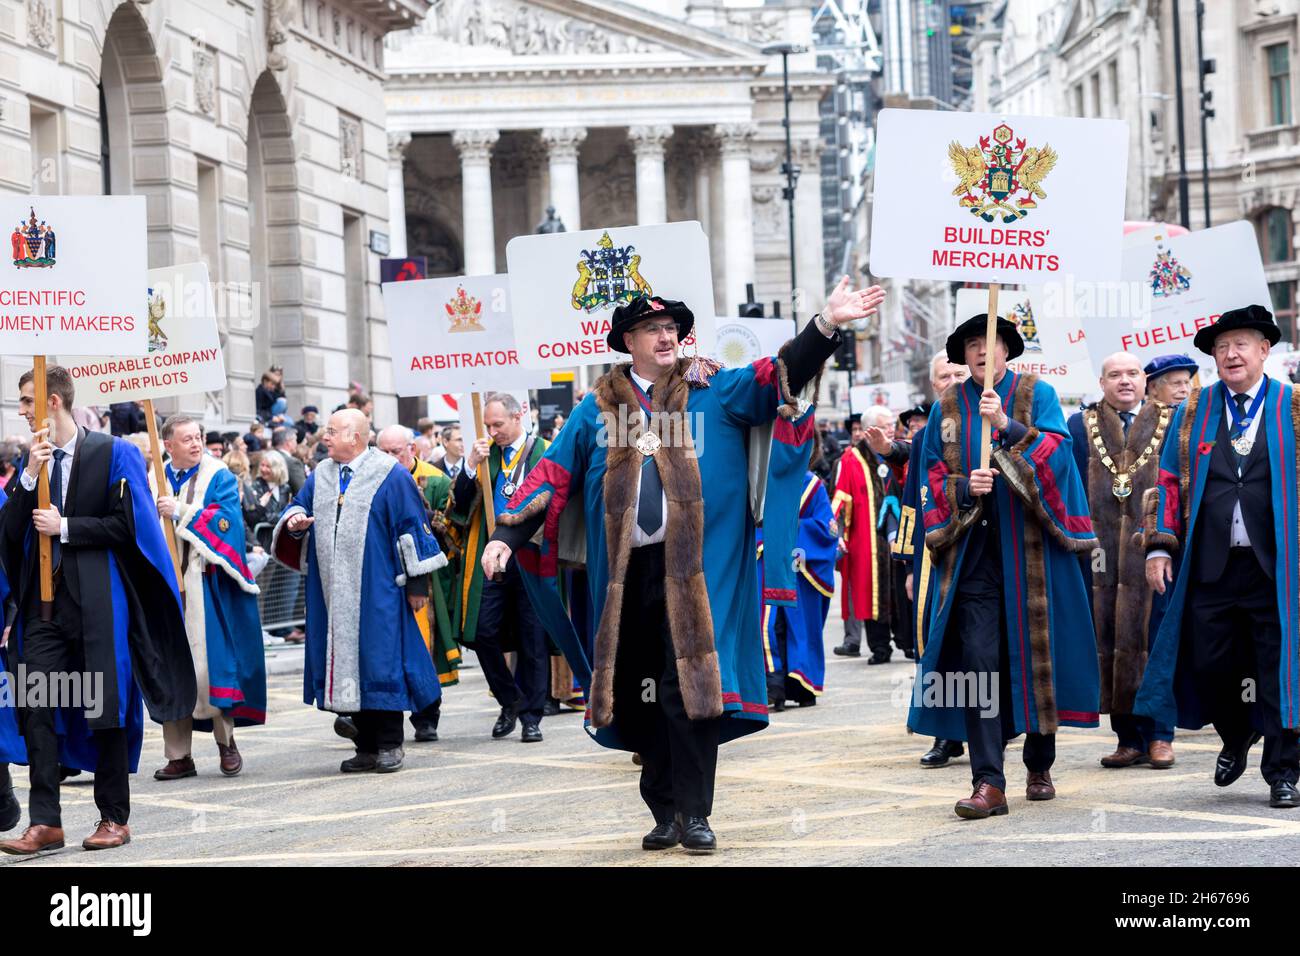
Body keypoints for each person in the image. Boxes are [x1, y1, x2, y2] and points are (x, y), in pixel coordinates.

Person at [483, 278, 885, 853]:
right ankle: (663, 809)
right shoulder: (597, 407)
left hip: (699, 571)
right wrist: (506, 533)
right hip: (628, 577)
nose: (667, 336)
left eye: (673, 328)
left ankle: (695, 814)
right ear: (629, 340)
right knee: (641, 694)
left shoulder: (716, 389)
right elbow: (552, 475)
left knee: (689, 691)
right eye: (654, 329)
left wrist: (825, 325)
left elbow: (780, 375)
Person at [908, 314, 1099, 820]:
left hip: (1033, 551)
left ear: (1005, 351)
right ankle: (988, 782)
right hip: (973, 557)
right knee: (977, 666)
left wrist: (1011, 429)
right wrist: (959, 489)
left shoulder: (1038, 394)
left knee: (1036, 657)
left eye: (987, 343)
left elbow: (1061, 457)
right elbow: (927, 476)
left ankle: (1039, 762)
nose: (979, 352)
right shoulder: (945, 407)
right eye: (970, 344)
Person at [0, 365, 193, 854]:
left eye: (27, 402)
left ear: (53, 403)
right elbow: (6, 535)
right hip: (43, 611)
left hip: (100, 606)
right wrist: (27, 479)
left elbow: (130, 528)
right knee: (36, 707)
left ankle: (113, 817)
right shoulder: (31, 463)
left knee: (103, 707)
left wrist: (66, 526)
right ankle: (46, 822)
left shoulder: (115, 453)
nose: (21, 412)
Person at [1139, 305, 1300, 808]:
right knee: (1210, 664)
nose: (1231, 354)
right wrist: (1160, 546)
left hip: (1276, 568)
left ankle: (1283, 771)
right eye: (1222, 346)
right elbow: (1165, 482)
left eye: (1242, 344)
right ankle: (1236, 734)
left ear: (1264, 351)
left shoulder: (1293, 406)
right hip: (1210, 564)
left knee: (1279, 667)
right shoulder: (1194, 411)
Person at [272, 409, 445, 774]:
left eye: (333, 432)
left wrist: (417, 585)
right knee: (346, 664)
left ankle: (389, 744)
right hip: (332, 591)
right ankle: (364, 745)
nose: (326, 437)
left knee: (380, 661)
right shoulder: (321, 475)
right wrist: (295, 522)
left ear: (356, 436)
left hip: (378, 587)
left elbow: (412, 529)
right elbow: (297, 507)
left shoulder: (389, 474)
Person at [1065, 353, 1176, 771]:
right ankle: (1127, 737)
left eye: (1132, 373)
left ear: (1145, 379)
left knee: (1156, 639)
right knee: (1108, 640)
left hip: (1155, 551)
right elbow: (1068, 485)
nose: (1124, 381)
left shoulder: (1172, 421)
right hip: (1100, 555)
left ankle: (1161, 735)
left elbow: (1178, 485)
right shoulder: (1080, 425)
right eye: (1115, 375)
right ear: (1102, 381)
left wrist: (1168, 540)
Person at [151, 416, 266, 781]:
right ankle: (178, 755)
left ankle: (226, 743)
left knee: (209, 666)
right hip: (165, 586)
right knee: (172, 670)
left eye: (198, 437)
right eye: (187, 439)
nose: (196, 444)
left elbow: (226, 522)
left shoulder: (218, 476)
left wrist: (180, 512)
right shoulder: (155, 476)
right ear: (169, 445)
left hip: (203, 581)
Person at [874, 351, 969, 768]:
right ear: (932, 384)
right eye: (942, 375)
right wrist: (912, 565)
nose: (950, 379)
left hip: (984, 547)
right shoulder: (932, 424)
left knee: (984, 644)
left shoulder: (989, 416)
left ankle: (991, 728)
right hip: (936, 557)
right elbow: (913, 499)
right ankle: (946, 733)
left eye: (958, 372)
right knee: (937, 643)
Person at [451, 394, 551, 743]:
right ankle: (510, 699)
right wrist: (468, 466)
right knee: (481, 632)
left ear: (517, 416)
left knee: (532, 638)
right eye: (488, 426)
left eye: (498, 425)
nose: (493, 432)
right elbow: (459, 507)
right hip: (489, 556)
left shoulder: (544, 450)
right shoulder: (484, 455)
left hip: (531, 555)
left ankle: (532, 716)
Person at [374, 425, 459, 744]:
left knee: (424, 646)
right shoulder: (370, 479)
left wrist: (432, 518)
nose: (390, 457)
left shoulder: (434, 479)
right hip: (383, 577)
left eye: (395, 451)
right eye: (383, 451)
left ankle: (427, 716)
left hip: (425, 576)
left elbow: (443, 530)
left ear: (413, 449)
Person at [760, 445, 837, 710]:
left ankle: (800, 685)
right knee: (769, 624)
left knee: (797, 626)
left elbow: (826, 530)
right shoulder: (758, 480)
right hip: (764, 561)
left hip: (798, 566)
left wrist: (785, 530)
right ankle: (774, 686)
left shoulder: (812, 485)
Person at [831, 405, 899, 663]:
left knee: (902, 591)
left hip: (900, 537)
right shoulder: (851, 459)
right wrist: (839, 533)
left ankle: (907, 640)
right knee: (871, 593)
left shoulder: (898, 453)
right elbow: (840, 499)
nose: (891, 430)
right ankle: (880, 647)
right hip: (867, 540)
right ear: (870, 430)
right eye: (886, 426)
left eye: (892, 425)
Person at [272, 427, 306, 494]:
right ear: (289, 443)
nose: (296, 444)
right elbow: (302, 491)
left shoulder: (268, 456)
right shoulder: (292, 463)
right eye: (295, 440)